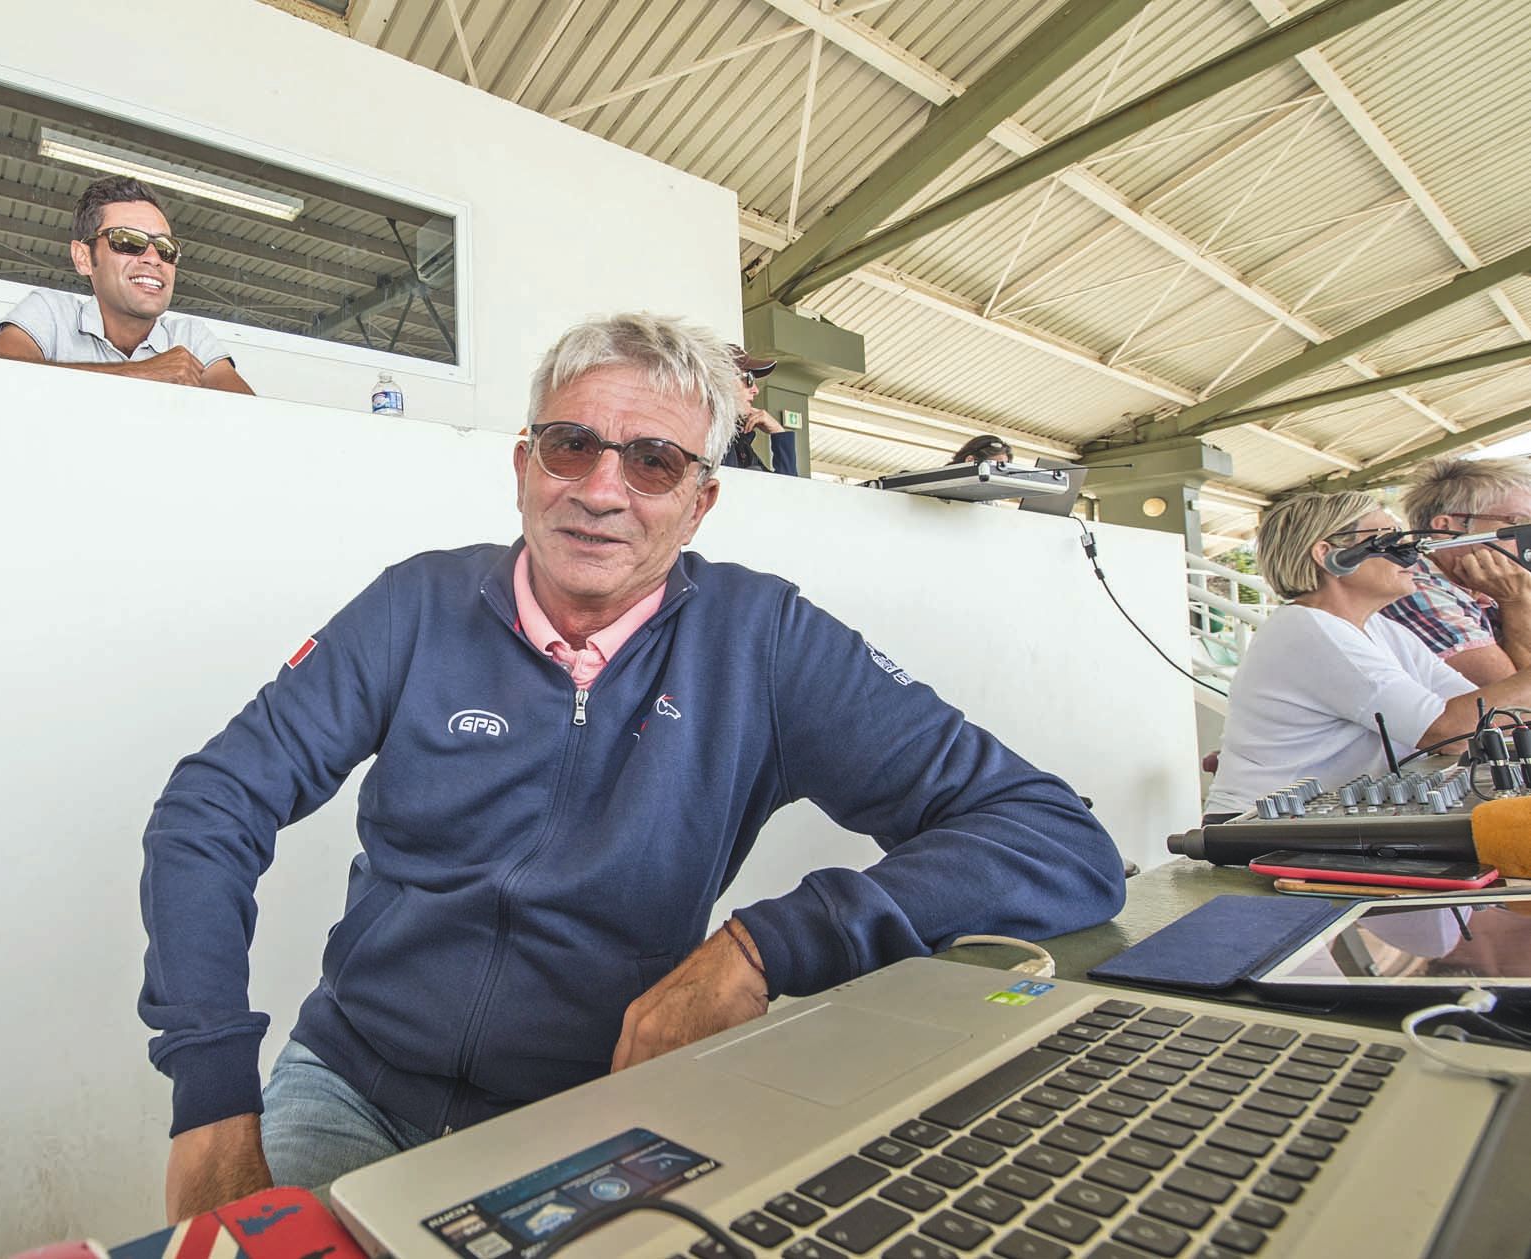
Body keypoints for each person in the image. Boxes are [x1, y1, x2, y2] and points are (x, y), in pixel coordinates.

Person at [140, 313, 1125, 1217]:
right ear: (525, 465)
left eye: (655, 462)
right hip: (352, 1081)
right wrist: (215, 1098)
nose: (603, 491)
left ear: (700, 503)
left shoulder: (765, 642)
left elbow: (1053, 839)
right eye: (573, 445)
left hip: (596, 1115)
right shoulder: (415, 605)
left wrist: (764, 946)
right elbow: (214, 801)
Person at [1204, 490, 1531, 819]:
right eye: (1389, 539)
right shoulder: (1310, 630)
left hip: (1317, 817)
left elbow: (1476, 722)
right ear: (1330, 555)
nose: (1412, 555)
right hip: (1255, 825)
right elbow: (1443, 729)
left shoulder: (1382, 630)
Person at [0, 177, 253, 394]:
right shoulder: (50, 313)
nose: (153, 258)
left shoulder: (190, 337)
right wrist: (142, 373)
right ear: (83, 258)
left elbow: (251, 418)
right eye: (127, 241)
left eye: (165, 247)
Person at [1379, 457, 1531, 684]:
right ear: (1446, 528)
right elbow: (1512, 704)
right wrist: (1517, 601)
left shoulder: (1488, 586)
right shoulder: (1411, 587)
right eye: (1518, 522)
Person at [719, 345, 796, 474]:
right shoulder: (706, 436)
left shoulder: (740, 444)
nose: (756, 390)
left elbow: (787, 489)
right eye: (749, 379)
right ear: (723, 380)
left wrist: (778, 432)